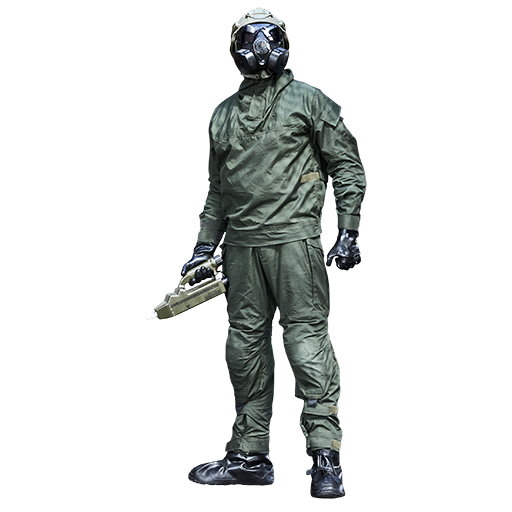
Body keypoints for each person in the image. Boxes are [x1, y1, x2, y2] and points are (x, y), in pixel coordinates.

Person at [181, 8, 366, 499]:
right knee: (244, 350)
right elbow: (217, 189)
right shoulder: (223, 115)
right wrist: (204, 245)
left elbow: (346, 164)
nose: (260, 47)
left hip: (294, 244)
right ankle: (249, 456)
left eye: (269, 36)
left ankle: (325, 457)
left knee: (307, 343)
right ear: (235, 47)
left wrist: (348, 229)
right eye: (250, 37)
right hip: (241, 250)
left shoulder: (308, 100)